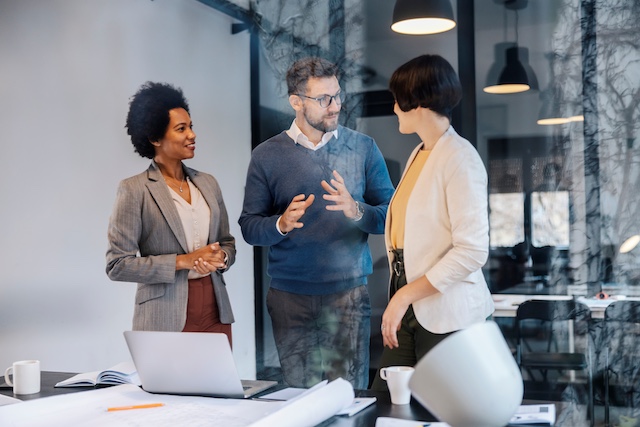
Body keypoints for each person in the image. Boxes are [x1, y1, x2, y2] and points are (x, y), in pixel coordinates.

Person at [239, 57, 395, 389]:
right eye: (323, 99)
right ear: (296, 102)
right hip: (288, 297)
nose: (335, 106)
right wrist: (280, 223)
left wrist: (355, 210)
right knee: (299, 395)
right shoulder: (266, 155)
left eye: (337, 96)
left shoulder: (363, 147)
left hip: (347, 295)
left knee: (347, 395)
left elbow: (391, 216)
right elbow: (250, 226)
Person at [372, 54, 494, 390]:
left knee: (441, 411)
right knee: (386, 400)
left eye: (398, 99)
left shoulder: (461, 158)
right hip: (409, 302)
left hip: (447, 312)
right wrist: (402, 297)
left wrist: (403, 296)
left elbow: (471, 251)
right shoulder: (420, 153)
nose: (394, 108)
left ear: (417, 101)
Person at [106, 82, 236, 344]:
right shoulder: (134, 190)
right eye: (181, 129)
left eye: (191, 126)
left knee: (215, 385)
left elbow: (227, 242)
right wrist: (184, 261)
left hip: (215, 309)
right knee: (171, 387)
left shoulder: (208, 183)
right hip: (164, 315)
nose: (192, 135)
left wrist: (222, 257)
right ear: (155, 138)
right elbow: (117, 265)